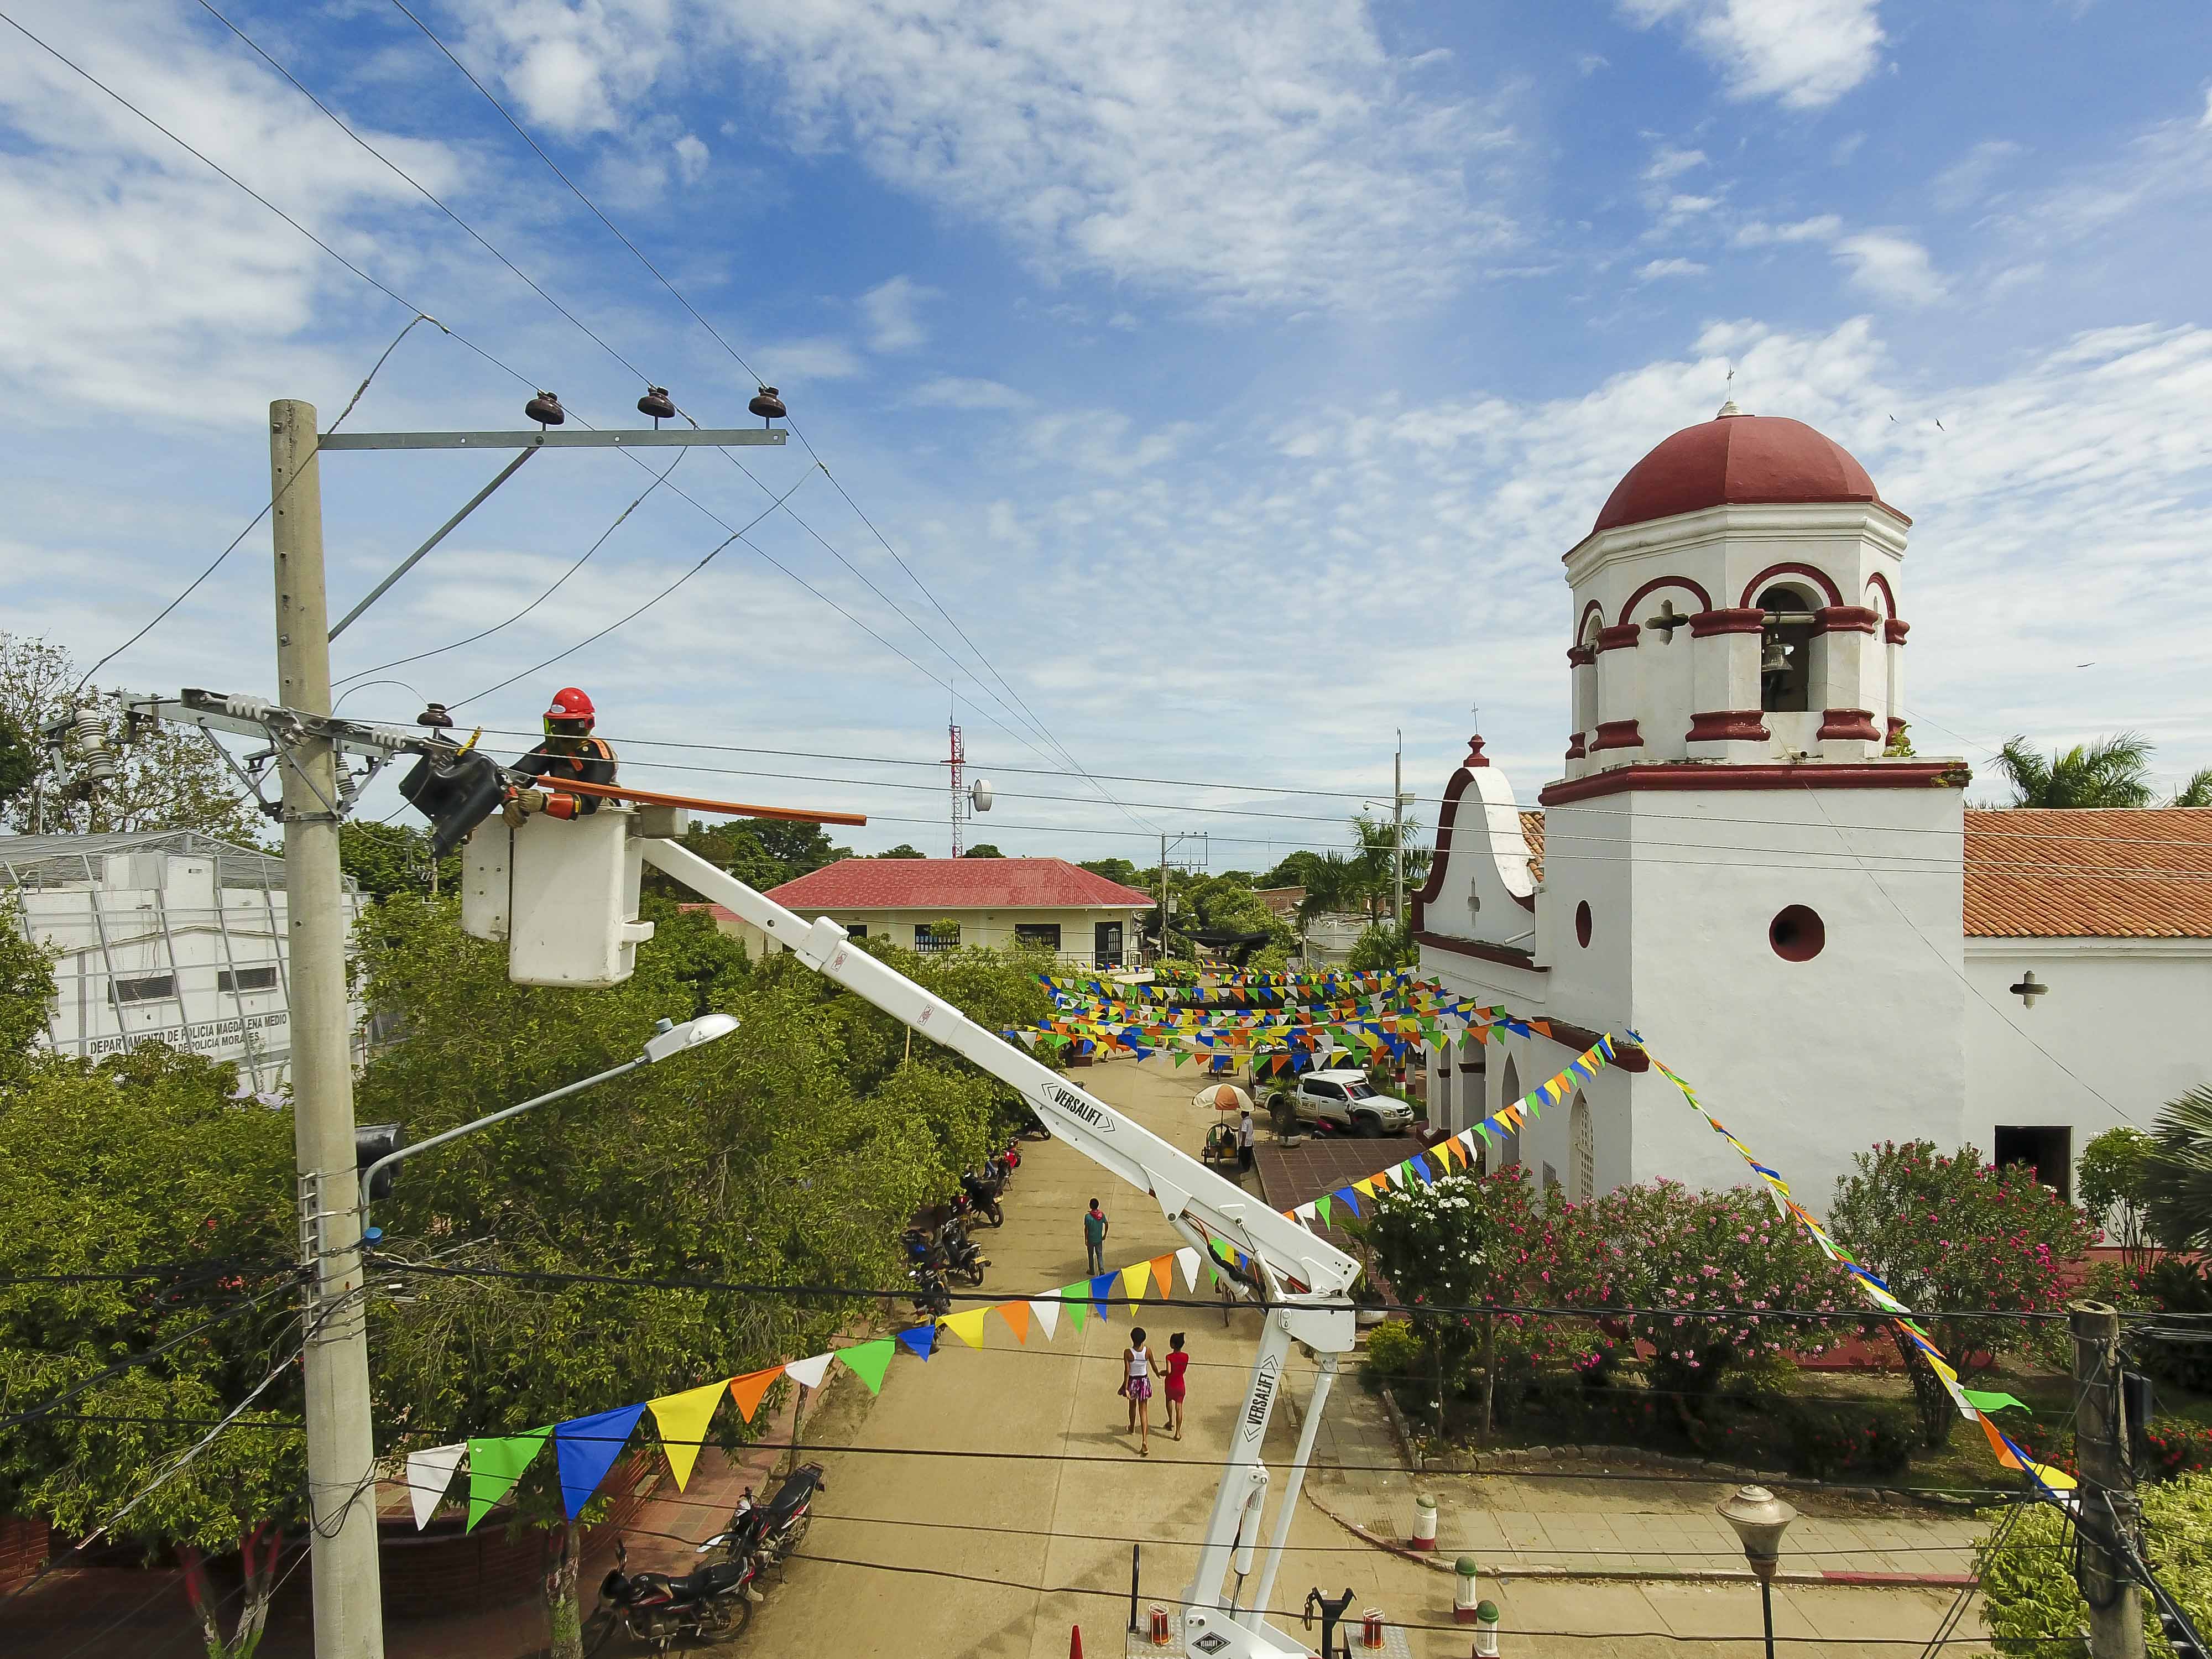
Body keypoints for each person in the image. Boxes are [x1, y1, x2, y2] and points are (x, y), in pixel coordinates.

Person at [503, 686, 617, 825]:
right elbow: (510, 778)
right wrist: (511, 800)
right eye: (555, 724)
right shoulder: (553, 748)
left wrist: (546, 802)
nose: (558, 730)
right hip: (563, 821)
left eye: (566, 725)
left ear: (585, 725)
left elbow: (590, 803)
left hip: (602, 820)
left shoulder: (598, 753)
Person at [1120, 1327, 1163, 1455]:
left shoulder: (1128, 1353)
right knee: (1143, 1412)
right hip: (1144, 1382)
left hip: (1133, 1382)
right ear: (1144, 1339)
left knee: (1132, 1407)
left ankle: (1132, 1427)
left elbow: (1127, 1371)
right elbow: (1154, 1366)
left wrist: (1125, 1387)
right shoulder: (1147, 1351)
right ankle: (1144, 1441)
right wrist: (1158, 1374)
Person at [1163, 1332, 1190, 1441]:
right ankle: (1178, 1432)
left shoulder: (1169, 1357)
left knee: (1168, 1401)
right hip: (1180, 1384)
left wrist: (1162, 1373)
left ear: (1173, 1345)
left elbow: (1169, 1371)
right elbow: (1184, 1370)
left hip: (1170, 1384)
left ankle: (1170, 1422)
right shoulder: (1186, 1357)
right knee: (1179, 1407)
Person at [1083, 1197, 1109, 1277]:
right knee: (1099, 1255)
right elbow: (1106, 1224)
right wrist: (1105, 1235)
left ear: (1090, 1206)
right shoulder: (1101, 1215)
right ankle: (1102, 1270)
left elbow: (1086, 1229)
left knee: (1091, 1255)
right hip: (1099, 1239)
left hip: (1091, 1240)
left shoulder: (1088, 1217)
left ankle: (1092, 1270)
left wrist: (1086, 1239)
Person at [1237, 1108, 1256, 1176]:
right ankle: (1247, 1168)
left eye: (1242, 1113)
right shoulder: (1250, 1120)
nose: (1241, 1114)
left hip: (1245, 1143)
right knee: (1248, 1156)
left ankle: (1244, 1169)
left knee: (1243, 1156)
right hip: (1250, 1141)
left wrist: (1243, 1142)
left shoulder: (1244, 1122)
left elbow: (1244, 1133)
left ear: (1245, 1114)